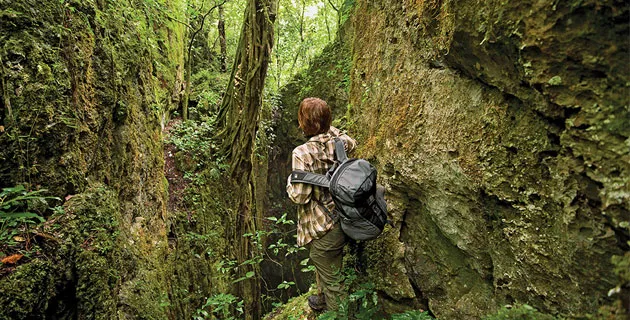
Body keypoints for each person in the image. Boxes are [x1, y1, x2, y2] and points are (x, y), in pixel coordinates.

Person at [286, 97, 356, 311]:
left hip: (324, 223)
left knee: (321, 258)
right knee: (326, 261)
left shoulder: (301, 153)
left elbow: (300, 196)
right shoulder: (339, 141)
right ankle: (321, 297)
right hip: (345, 213)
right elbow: (352, 143)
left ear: (304, 122)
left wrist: (291, 182)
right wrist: (328, 128)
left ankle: (337, 312)